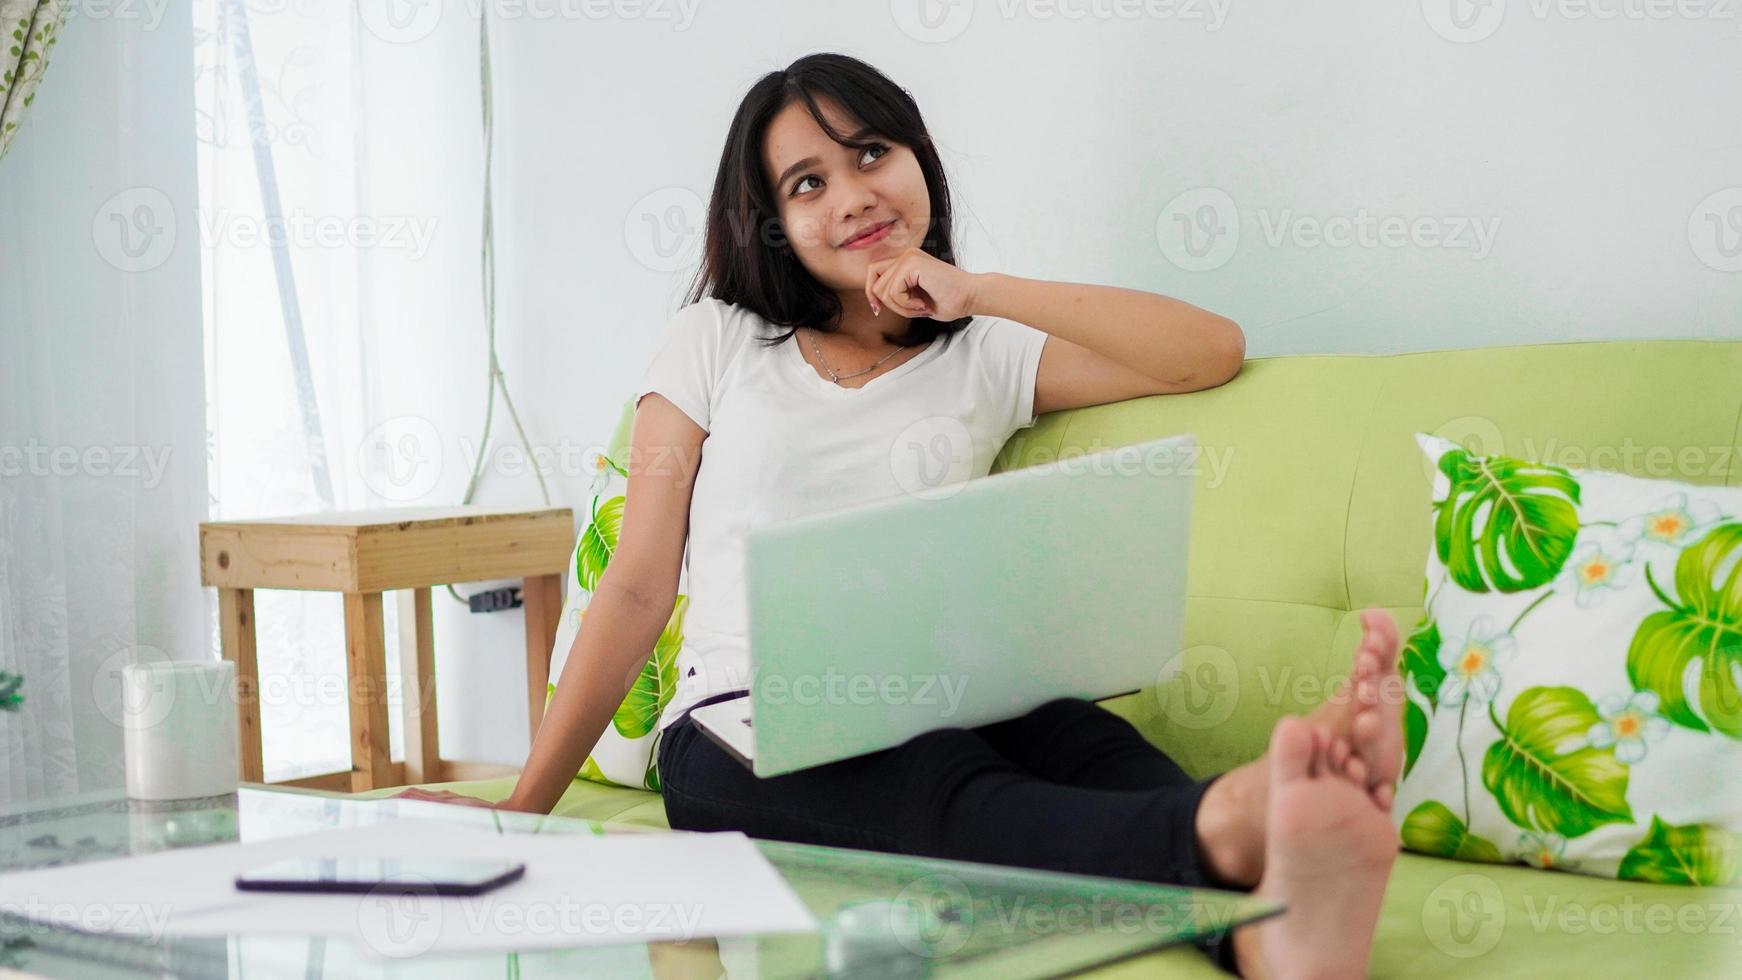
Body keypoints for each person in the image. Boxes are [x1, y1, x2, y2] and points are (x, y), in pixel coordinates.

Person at [398, 52, 1404, 978]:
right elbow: (634, 583)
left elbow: (1206, 352)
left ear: (918, 157)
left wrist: (976, 290)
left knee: (1093, 749)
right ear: (772, 223)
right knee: (940, 781)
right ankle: (1237, 812)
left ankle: (1273, 925)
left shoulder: (985, 352)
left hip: (964, 691)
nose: (853, 194)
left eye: (871, 152)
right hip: (744, 727)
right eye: (807, 183)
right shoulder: (712, 342)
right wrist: (520, 814)